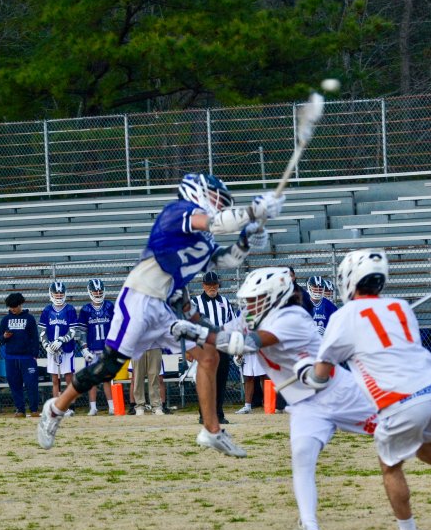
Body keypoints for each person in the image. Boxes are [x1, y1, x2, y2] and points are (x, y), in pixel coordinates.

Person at [38, 172, 284, 455]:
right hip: (140, 298)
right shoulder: (177, 211)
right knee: (109, 366)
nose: (218, 205)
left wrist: (247, 238)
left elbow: (227, 259)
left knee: (209, 354)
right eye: (217, 198)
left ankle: (212, 430)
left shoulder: (201, 240)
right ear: (198, 192)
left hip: (166, 305)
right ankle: (55, 409)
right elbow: (216, 223)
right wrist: (253, 211)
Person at [235, 266, 377, 530]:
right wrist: (191, 318)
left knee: (400, 432)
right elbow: (224, 335)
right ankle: (311, 528)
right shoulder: (252, 317)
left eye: (255, 298)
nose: (248, 305)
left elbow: (247, 342)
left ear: (274, 296)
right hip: (304, 404)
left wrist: (205, 334)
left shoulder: (292, 316)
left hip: (336, 391)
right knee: (302, 457)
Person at [312, 249, 431, 530]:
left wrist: (311, 379)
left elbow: (323, 369)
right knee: (429, 450)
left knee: (390, 465)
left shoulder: (344, 316)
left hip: (400, 400)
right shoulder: (401, 306)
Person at [192, 271, 234, 424]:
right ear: (203, 285)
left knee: (221, 381)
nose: (212, 287)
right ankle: (204, 414)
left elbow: (231, 322)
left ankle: (218, 413)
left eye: (214, 284)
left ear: (218, 285)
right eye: (209, 285)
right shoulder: (195, 302)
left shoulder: (225, 301)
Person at [0, 293, 40, 418]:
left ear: (20, 304)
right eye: (10, 307)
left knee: (31, 384)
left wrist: (35, 354)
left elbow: (35, 337)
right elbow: (0, 338)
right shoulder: (5, 320)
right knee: (15, 385)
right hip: (11, 358)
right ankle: (20, 409)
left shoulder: (29, 318)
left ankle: (34, 410)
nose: (13, 309)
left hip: (27, 357)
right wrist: (4, 336)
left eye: (15, 307)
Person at [77, 278, 115, 416]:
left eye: (100, 290)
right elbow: (81, 332)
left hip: (106, 349)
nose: (98, 293)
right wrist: (84, 349)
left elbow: (116, 328)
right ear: (90, 292)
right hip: (92, 349)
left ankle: (111, 406)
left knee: (107, 378)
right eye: (95, 291)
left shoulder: (109, 306)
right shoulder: (86, 309)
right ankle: (93, 407)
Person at [38, 281, 78, 400]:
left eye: (61, 294)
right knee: (55, 379)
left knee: (69, 378)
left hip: (66, 349)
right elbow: (43, 332)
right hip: (52, 350)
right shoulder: (47, 310)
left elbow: (72, 331)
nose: (59, 296)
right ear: (51, 294)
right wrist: (46, 345)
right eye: (56, 294)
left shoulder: (70, 309)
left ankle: (70, 405)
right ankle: (57, 404)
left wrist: (61, 340)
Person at [132, 348, 163, 415]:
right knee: (138, 376)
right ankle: (140, 405)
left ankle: (156, 405)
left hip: (154, 345)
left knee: (154, 376)